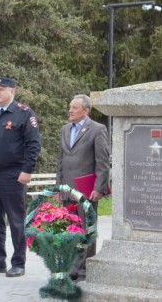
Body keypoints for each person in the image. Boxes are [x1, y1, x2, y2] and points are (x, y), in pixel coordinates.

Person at [0, 77, 41, 277]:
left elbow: (33, 144)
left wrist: (27, 170)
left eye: (2, 89)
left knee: (16, 221)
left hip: (13, 174)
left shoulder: (23, 113)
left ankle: (18, 263)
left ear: (12, 91)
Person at [56, 94, 110, 282]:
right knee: (70, 229)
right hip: (67, 189)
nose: (70, 110)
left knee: (86, 230)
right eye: (70, 107)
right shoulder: (64, 129)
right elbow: (61, 161)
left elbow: (103, 162)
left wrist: (99, 187)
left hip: (86, 190)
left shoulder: (97, 129)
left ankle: (83, 270)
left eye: (75, 108)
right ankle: (72, 267)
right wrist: (58, 188)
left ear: (86, 111)